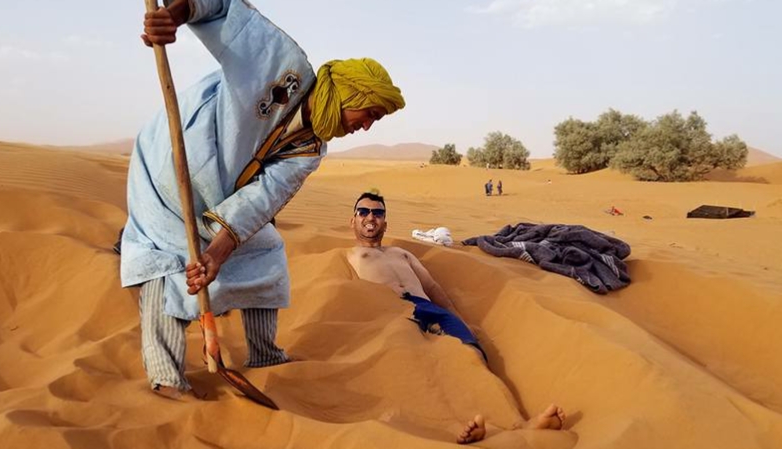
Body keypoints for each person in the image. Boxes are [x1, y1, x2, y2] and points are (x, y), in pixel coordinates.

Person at [120, 0, 405, 400]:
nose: (366, 126)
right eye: (370, 113)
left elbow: (262, 199)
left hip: (222, 192)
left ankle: (266, 354)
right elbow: (220, 8)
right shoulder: (281, 63)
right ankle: (167, 377)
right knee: (164, 255)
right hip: (173, 156)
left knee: (265, 250)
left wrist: (217, 254)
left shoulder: (311, 147)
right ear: (348, 92)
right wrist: (175, 16)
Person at [345, 192, 566, 444]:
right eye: (363, 212)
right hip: (393, 314)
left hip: (429, 308)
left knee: (472, 355)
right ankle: (459, 425)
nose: (370, 217)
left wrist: (458, 319)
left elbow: (432, 287)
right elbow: (344, 299)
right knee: (421, 368)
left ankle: (518, 422)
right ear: (353, 221)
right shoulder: (348, 256)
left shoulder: (401, 253)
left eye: (378, 212)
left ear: (386, 222)